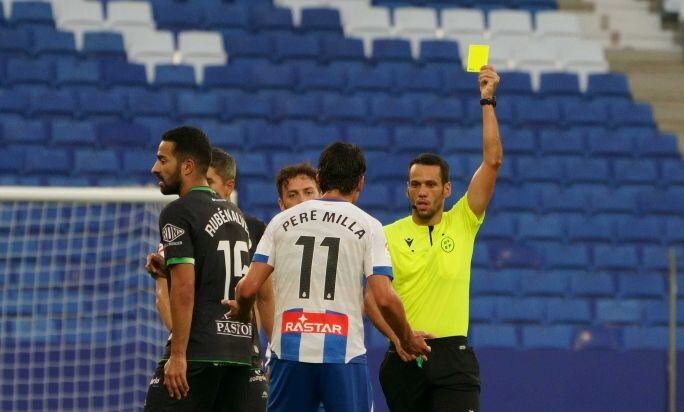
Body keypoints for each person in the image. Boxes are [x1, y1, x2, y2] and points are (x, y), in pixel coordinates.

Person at [227, 142, 431, 412]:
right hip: (342, 353)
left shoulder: (281, 222)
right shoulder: (368, 226)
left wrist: (242, 311)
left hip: (289, 350)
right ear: (360, 183)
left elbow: (247, 287)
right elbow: (383, 297)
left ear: (320, 179)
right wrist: (405, 337)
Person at [377, 65, 502, 412]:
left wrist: (487, 100)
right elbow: (369, 298)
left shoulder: (463, 220)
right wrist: (397, 337)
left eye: (431, 184)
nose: (422, 192)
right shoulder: (386, 234)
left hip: (453, 358)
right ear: (406, 189)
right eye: (415, 184)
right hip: (404, 357)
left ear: (446, 189)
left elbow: (492, 162)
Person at [144, 126, 263, 411]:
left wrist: (178, 354)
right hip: (239, 354)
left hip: (198, 352)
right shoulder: (236, 214)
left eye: (163, 160)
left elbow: (185, 287)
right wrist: (167, 269)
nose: (154, 168)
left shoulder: (178, 211)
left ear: (187, 166)